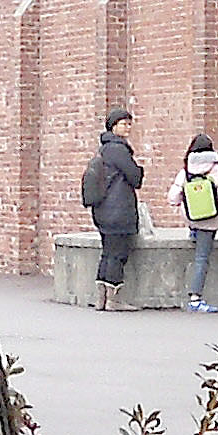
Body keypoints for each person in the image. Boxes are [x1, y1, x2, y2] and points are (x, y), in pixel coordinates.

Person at [83, 110, 144, 309]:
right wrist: (140, 170)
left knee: (108, 252)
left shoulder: (103, 149)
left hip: (103, 211)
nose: (128, 127)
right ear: (113, 126)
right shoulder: (118, 149)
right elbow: (135, 178)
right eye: (124, 124)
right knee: (118, 253)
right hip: (118, 210)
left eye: (129, 124)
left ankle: (102, 298)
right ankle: (113, 300)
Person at [171, 131, 218, 313]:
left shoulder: (186, 169)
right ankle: (195, 298)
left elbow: (173, 197)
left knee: (197, 246)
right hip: (210, 220)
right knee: (202, 258)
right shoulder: (215, 168)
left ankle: (192, 231)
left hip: (192, 218)